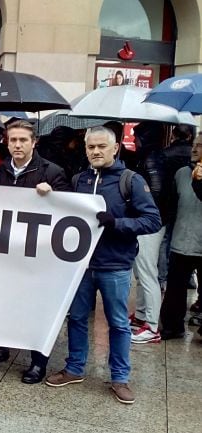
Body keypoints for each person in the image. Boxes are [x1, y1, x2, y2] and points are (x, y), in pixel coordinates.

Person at [45, 126, 161, 405]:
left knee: (118, 323)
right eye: (90, 147)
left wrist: (118, 223)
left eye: (101, 147)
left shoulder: (130, 180)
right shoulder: (79, 179)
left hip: (115, 265)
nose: (95, 152)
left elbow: (152, 220)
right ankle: (74, 368)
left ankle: (120, 377)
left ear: (115, 148)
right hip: (82, 265)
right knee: (76, 318)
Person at [0, 120, 71, 383]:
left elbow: (70, 214)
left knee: (38, 307)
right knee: (2, 301)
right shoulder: (1, 170)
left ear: (34, 142)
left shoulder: (53, 172)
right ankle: (0, 347)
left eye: (22, 140)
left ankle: (38, 361)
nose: (17, 145)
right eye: (13, 140)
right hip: (6, 250)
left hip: (38, 254)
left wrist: (54, 196)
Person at [158, 134, 202, 340]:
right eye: (194, 145)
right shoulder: (182, 173)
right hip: (181, 239)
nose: (194, 149)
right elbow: (171, 203)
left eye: (200, 146)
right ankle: (172, 326)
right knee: (175, 287)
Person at [128, 122, 166, 344]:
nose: (134, 140)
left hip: (148, 224)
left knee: (147, 272)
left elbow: (156, 193)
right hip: (151, 222)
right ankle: (142, 315)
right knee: (142, 271)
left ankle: (151, 326)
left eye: (137, 136)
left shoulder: (151, 159)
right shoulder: (153, 156)